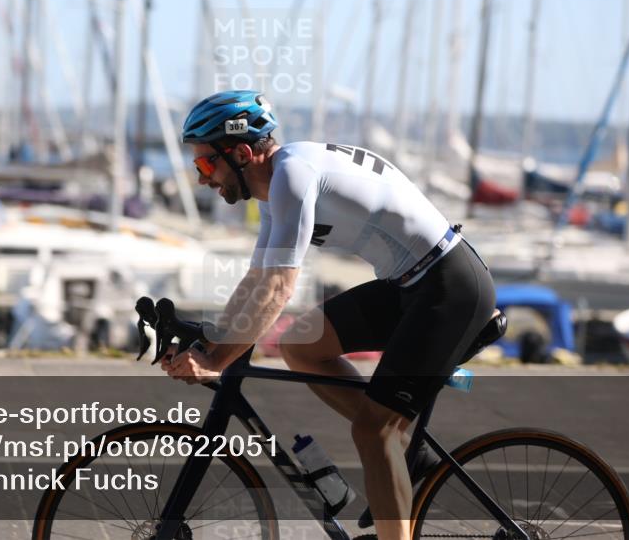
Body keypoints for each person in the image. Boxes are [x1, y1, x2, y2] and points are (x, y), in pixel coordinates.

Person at [161, 90, 496, 540]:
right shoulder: (275, 188)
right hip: (410, 284)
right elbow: (256, 281)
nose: (202, 179)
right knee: (301, 345)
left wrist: (218, 360)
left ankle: (390, 445)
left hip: (449, 287)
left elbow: (279, 288)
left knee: (373, 432)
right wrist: (209, 341)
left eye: (205, 165)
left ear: (240, 154)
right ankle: (403, 453)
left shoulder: (293, 175)